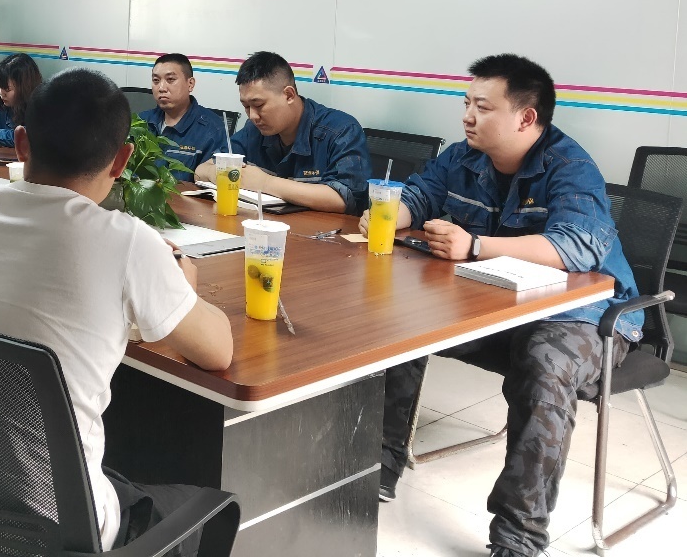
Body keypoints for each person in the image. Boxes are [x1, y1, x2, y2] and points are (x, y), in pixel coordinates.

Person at [0, 69, 233, 555]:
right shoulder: (128, 242)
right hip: (48, 530)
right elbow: (218, 352)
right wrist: (182, 285)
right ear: (122, 160)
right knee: (208, 507)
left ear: (21, 143)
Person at [369, 54, 643, 557]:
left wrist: (476, 245)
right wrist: (391, 213)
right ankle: (378, 466)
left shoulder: (571, 167)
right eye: (466, 103)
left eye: (483, 107)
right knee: (402, 324)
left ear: (525, 117)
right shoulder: (462, 157)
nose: (467, 116)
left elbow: (577, 246)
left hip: (585, 316)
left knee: (545, 364)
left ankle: (518, 535)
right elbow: (421, 196)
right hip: (494, 302)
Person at [194, 51, 370, 214]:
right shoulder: (254, 130)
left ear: (289, 95)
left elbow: (344, 199)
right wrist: (222, 175)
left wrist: (265, 183)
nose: (253, 116)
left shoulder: (340, 130)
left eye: (259, 105)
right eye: (246, 106)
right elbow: (201, 170)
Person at [139, 53, 227, 182]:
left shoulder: (211, 129)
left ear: (190, 84)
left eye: (170, 79)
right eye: (156, 81)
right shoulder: (141, 122)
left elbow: (211, 184)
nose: (161, 88)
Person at [0, 52, 41, 147]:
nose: (1, 93)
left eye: (7, 89)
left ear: (24, 88)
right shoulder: (1, 106)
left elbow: (28, 137)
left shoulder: (40, 107)